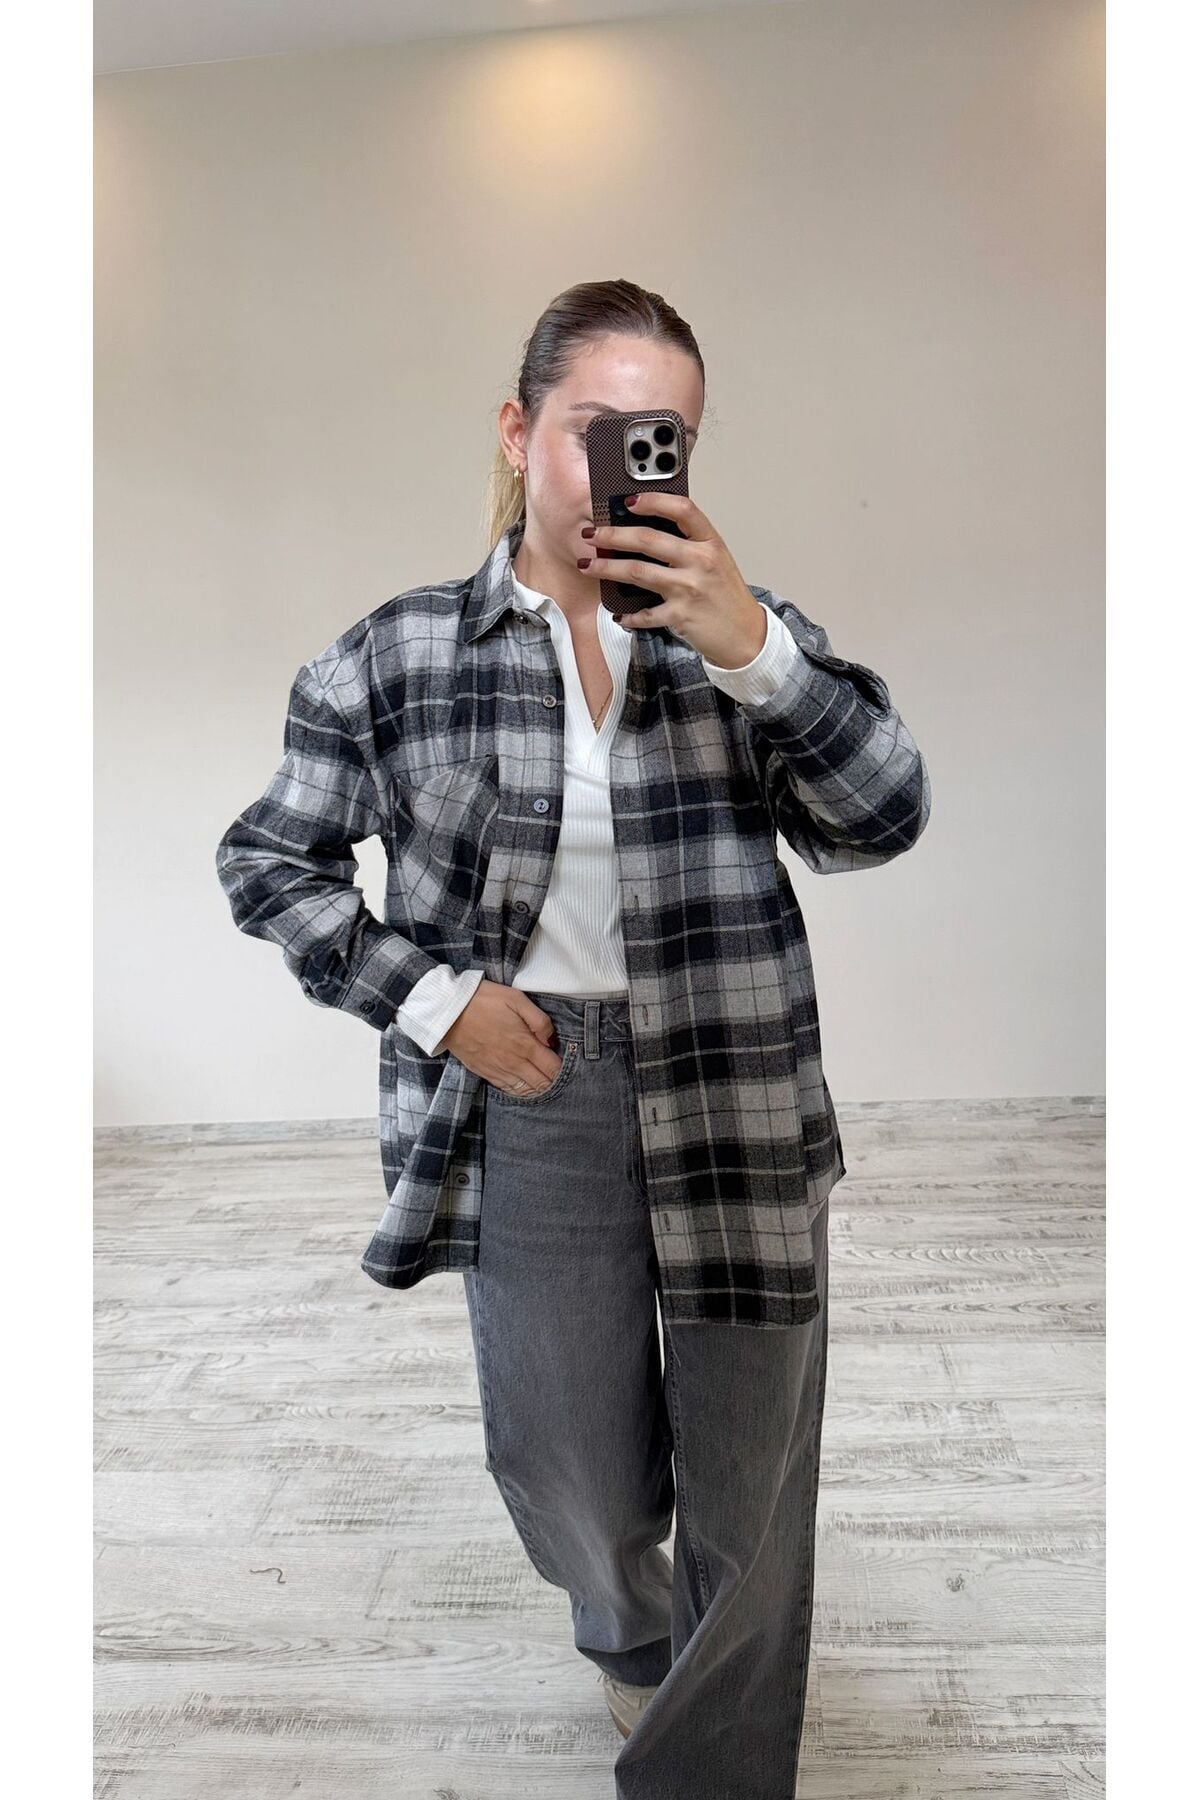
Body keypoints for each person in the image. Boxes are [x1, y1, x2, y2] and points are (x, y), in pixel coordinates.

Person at [215, 277, 931, 1798]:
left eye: (663, 437)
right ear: (517, 430)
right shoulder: (398, 654)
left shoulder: (740, 637)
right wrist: (439, 1003)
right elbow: (269, 863)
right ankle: (629, 1633)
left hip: (731, 1085)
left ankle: (710, 1764)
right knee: (572, 1469)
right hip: (529, 1092)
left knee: (748, 1478)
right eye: (595, 427)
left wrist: (757, 653)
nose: (626, 463)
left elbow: (883, 817)